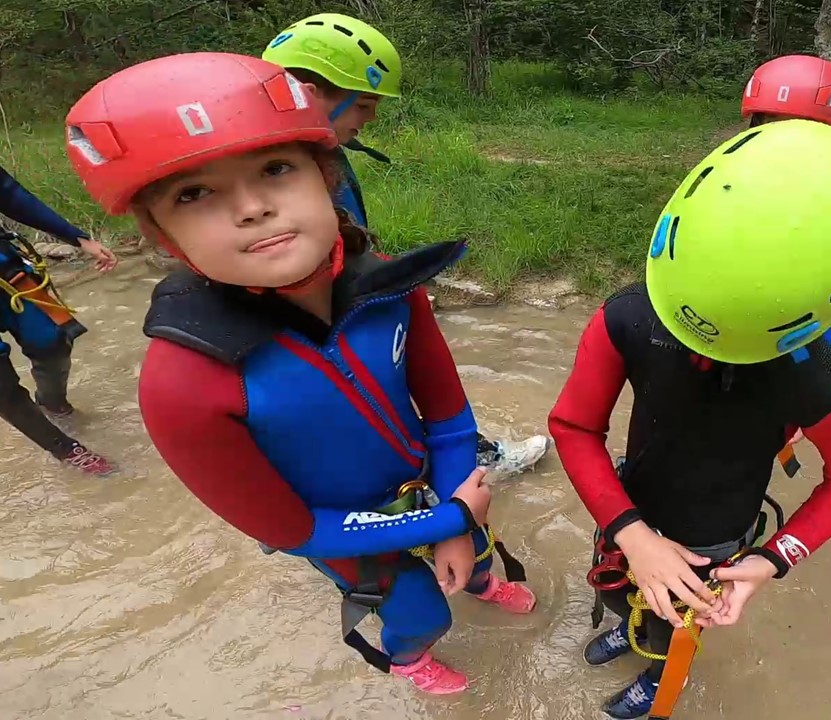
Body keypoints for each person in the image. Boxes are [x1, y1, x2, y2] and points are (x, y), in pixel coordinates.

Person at [64, 52, 536, 695]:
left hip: (436, 489)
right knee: (420, 612)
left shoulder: (387, 284)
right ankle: (407, 658)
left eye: (276, 168)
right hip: (340, 527)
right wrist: (445, 520)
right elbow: (290, 528)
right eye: (194, 193)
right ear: (163, 235)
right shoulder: (184, 382)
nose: (253, 207)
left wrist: (459, 515)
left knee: (476, 558)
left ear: (327, 176)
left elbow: (449, 421)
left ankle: (483, 578)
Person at [548, 119, 831, 719]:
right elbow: (575, 428)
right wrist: (630, 531)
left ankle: (657, 676)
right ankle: (628, 629)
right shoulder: (633, 317)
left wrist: (771, 558)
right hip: (631, 503)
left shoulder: (823, 383)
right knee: (620, 583)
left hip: (714, 535)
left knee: (672, 622)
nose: (702, 352)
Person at [262, 13, 550, 477]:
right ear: (310, 99)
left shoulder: (305, 159)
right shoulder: (284, 177)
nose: (373, 116)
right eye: (365, 103)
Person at [0, 165, 117, 475]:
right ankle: (67, 449)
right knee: (2, 386)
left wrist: (77, 238)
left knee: (52, 340)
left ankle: (53, 403)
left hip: (7, 275)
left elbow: (10, 194)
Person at [741, 53, 831, 357]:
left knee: (815, 387)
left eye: (800, 127)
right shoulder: (734, 173)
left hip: (823, 306)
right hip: (748, 301)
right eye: (771, 125)